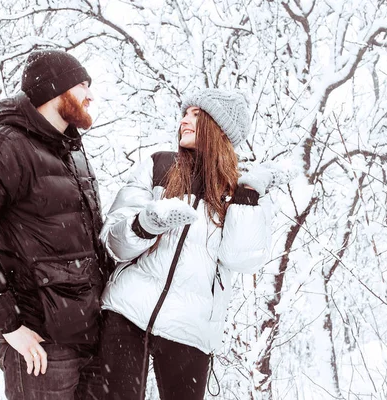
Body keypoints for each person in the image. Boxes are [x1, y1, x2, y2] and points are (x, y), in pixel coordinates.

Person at [0, 49, 110, 400]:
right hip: (41, 345)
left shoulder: (71, 151)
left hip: (89, 337)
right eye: (82, 85)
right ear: (55, 90)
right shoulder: (7, 142)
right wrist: (9, 324)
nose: (91, 95)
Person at [98, 89, 286, 399]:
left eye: (196, 115)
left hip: (191, 330)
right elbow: (115, 244)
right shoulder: (159, 166)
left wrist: (248, 194)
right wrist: (145, 224)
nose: (184, 119)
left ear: (218, 128)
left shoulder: (238, 191)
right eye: (185, 113)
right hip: (126, 314)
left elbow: (240, 258)